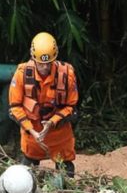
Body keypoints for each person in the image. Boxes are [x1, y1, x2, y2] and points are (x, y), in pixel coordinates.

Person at [8, 32, 80, 177]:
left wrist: (52, 123)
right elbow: (15, 107)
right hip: (33, 133)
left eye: (48, 63)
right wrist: (31, 130)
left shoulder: (66, 74)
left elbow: (71, 106)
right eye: (40, 63)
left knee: (66, 170)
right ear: (33, 57)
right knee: (26, 171)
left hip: (59, 132)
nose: (45, 67)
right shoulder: (22, 74)